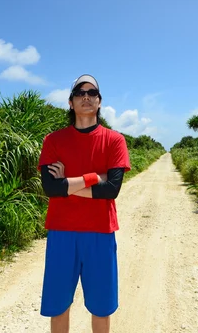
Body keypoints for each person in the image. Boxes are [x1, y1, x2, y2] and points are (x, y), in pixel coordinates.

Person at [38, 74, 131, 333]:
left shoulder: (114, 140)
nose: (86, 97)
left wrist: (66, 184)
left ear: (100, 102)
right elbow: (50, 188)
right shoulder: (53, 140)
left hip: (100, 232)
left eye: (92, 92)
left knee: (101, 307)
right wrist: (92, 178)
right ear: (70, 102)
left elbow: (111, 189)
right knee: (58, 306)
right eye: (80, 92)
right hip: (61, 232)